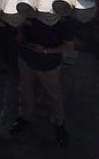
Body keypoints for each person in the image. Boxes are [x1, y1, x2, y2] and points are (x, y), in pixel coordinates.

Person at [10, 18, 75, 147]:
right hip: (26, 59)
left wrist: (45, 50)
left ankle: (59, 124)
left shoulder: (64, 17)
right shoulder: (29, 8)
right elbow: (19, 24)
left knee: (54, 95)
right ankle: (25, 117)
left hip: (49, 65)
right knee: (25, 89)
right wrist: (20, 32)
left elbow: (69, 46)